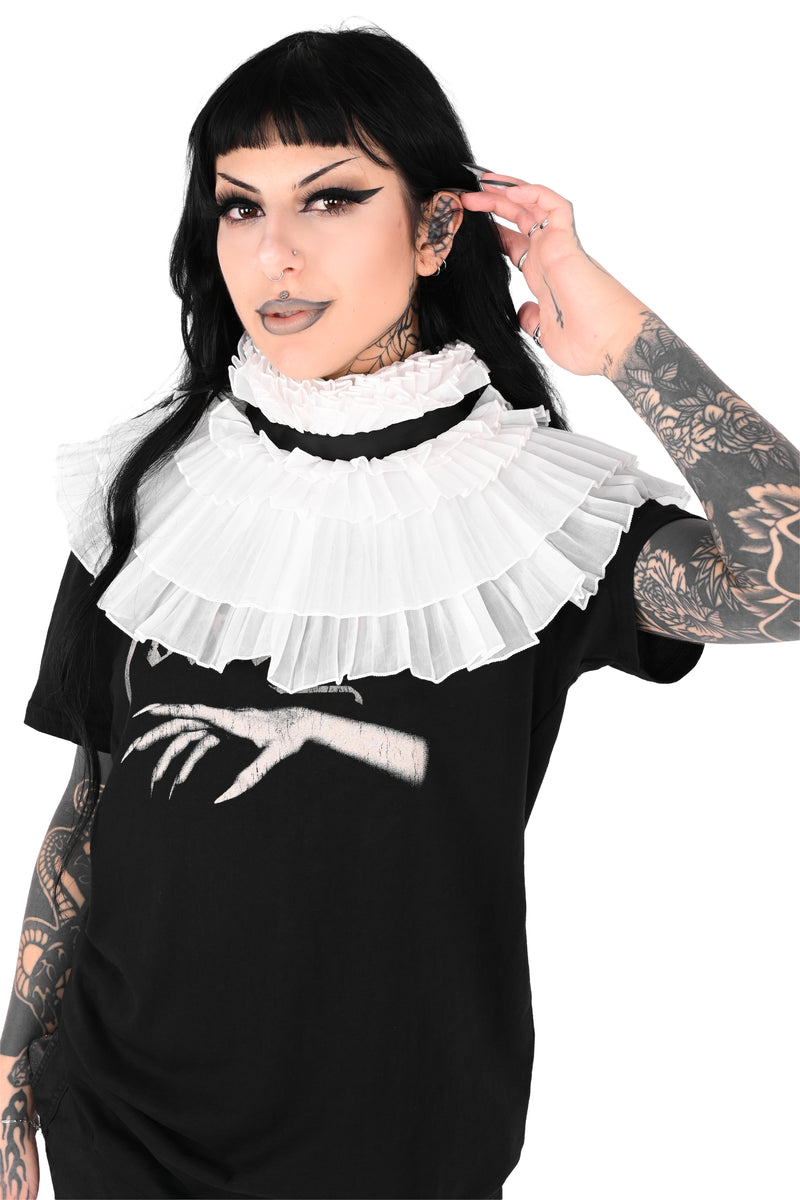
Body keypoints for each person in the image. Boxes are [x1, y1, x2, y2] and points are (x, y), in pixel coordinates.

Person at [1, 24, 797, 1200]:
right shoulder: (148, 486)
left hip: (403, 1142)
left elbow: (785, 580)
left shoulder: (545, 513)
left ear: (432, 231)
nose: (273, 253)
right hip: (122, 1124)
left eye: (328, 200)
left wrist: (620, 334)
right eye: (238, 206)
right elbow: (93, 799)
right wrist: (16, 1067)